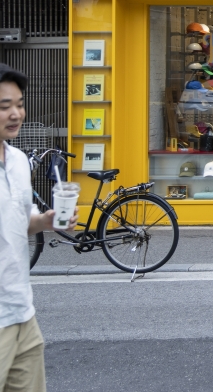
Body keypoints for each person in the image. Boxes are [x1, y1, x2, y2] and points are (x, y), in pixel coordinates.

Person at [0, 64, 77, 392]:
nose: (16, 113)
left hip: (21, 309)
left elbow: (21, 222)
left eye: (19, 104)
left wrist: (46, 221)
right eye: (5, 107)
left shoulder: (18, 161)